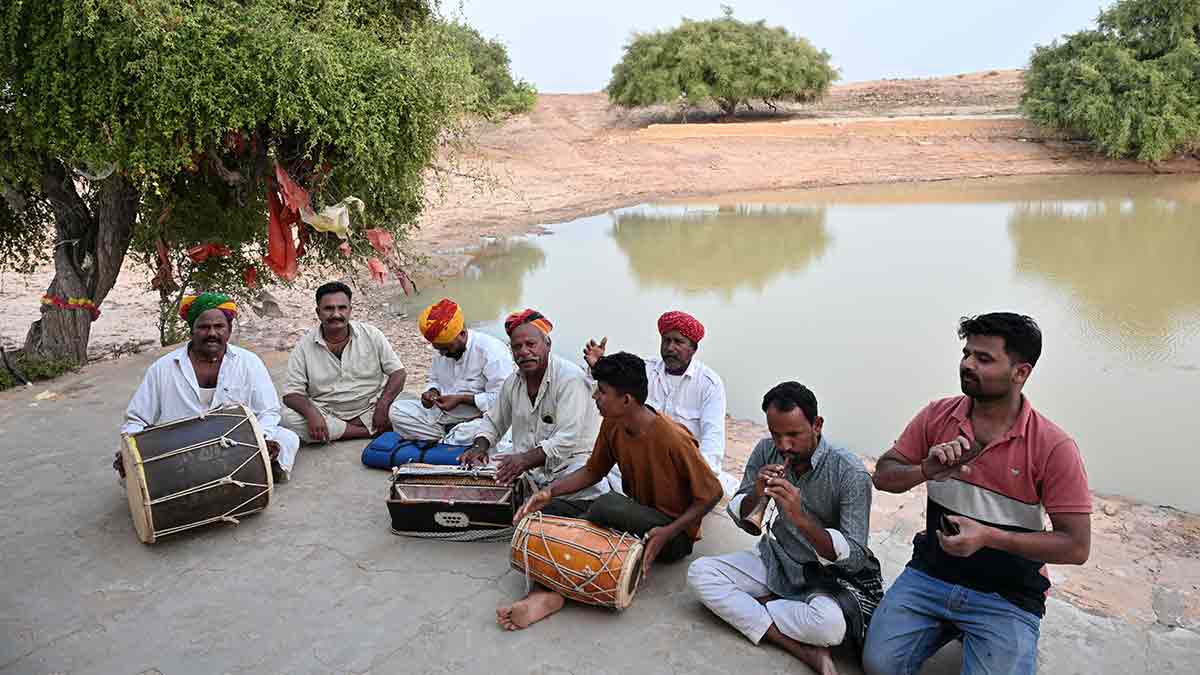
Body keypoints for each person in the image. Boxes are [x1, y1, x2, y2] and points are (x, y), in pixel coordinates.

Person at [863, 313, 1092, 675]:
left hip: (1008, 595)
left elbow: (1077, 546)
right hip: (932, 575)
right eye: (967, 353)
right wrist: (926, 469)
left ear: (1021, 372)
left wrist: (989, 537)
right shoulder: (937, 416)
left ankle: (978, 633)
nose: (967, 364)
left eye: (983, 358)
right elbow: (884, 477)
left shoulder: (1053, 446)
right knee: (878, 665)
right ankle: (952, 628)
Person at [497, 351, 723, 630]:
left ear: (626, 400)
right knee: (551, 509)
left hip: (669, 534)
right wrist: (549, 493)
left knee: (607, 506)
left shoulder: (673, 438)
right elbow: (594, 471)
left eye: (601, 392)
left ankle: (552, 591)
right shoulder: (614, 422)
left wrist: (669, 532)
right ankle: (547, 593)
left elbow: (712, 493)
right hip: (632, 516)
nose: (595, 397)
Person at [688, 382, 883, 675]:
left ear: (817, 425)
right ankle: (799, 647)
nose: (783, 446)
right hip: (777, 557)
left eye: (793, 435)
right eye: (776, 434)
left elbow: (855, 556)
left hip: (824, 577)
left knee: (830, 627)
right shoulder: (766, 450)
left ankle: (757, 606)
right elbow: (743, 516)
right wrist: (756, 493)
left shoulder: (849, 472)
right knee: (700, 574)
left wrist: (800, 516)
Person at [116, 292, 300, 482]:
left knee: (287, 438)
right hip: (183, 448)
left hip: (236, 444)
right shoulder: (163, 368)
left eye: (219, 326)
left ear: (229, 331)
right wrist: (130, 452)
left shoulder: (249, 362)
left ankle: (256, 469)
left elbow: (268, 411)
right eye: (204, 327)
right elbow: (136, 418)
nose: (212, 333)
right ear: (191, 331)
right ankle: (247, 473)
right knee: (127, 477)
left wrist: (259, 442)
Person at [459, 309, 608, 504]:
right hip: (532, 469)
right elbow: (494, 422)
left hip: (572, 466)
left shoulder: (570, 379)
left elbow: (567, 440)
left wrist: (523, 460)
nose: (523, 352)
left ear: (548, 345)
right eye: (517, 347)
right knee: (481, 474)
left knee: (577, 490)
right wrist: (479, 447)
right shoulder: (512, 383)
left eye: (531, 344)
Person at [583, 310, 731, 490]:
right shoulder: (644, 369)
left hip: (682, 472)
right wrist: (599, 367)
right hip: (637, 465)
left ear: (693, 348)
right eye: (666, 340)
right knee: (595, 481)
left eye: (678, 342)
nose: (670, 348)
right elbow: (610, 395)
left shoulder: (709, 384)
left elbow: (712, 441)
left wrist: (696, 479)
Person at [280, 282, 406, 445]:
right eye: (329, 309)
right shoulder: (304, 347)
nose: (336, 314)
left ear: (350, 310)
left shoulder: (371, 334)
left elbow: (398, 373)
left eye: (342, 308)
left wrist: (382, 406)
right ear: (318, 312)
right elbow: (291, 395)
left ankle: (339, 431)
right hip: (328, 413)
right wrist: (312, 414)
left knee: (405, 407)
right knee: (286, 419)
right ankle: (366, 431)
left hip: (371, 408)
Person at [389, 298, 512, 445]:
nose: (441, 353)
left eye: (446, 348)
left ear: (462, 333)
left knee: (482, 432)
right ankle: (450, 439)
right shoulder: (443, 350)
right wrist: (432, 392)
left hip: (478, 419)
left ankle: (449, 439)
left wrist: (462, 399)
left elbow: (502, 401)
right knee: (397, 411)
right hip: (442, 416)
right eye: (438, 348)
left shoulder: (492, 352)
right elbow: (434, 379)